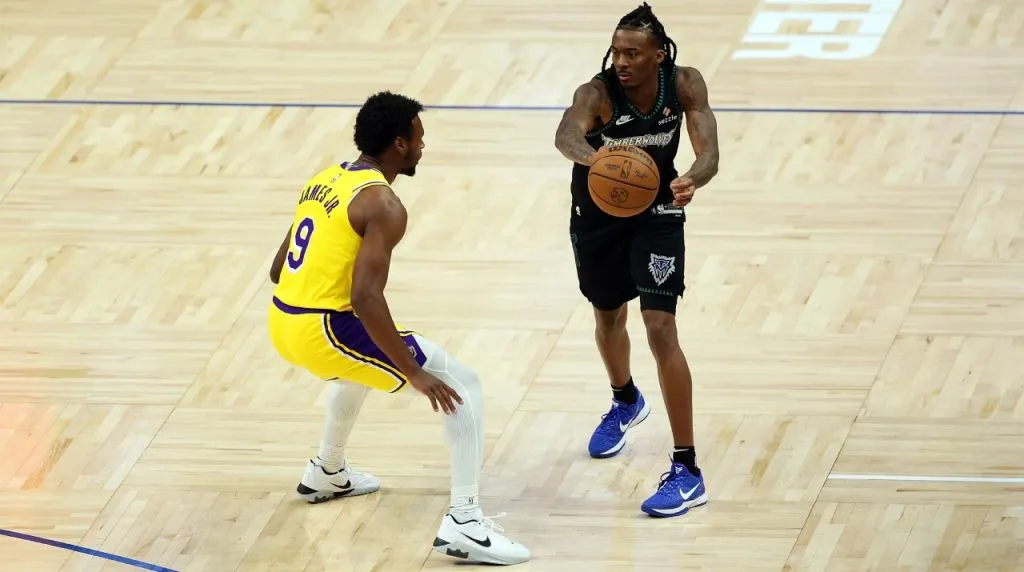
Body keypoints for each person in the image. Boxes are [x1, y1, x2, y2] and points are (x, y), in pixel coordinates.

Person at [266, 91, 530, 566]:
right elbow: (367, 298)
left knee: (360, 365)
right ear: (400, 144)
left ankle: (327, 470)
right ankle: (466, 524)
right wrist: (415, 372)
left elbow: (277, 266)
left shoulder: (322, 180)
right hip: (326, 329)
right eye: (419, 137)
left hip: (283, 319)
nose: (423, 146)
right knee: (459, 383)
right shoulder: (384, 204)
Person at [553, 2, 720, 518]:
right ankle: (625, 398)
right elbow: (566, 135)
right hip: (599, 213)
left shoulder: (685, 84)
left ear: (658, 55)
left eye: (633, 53)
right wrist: (601, 160)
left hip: (658, 209)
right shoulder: (597, 93)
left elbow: (710, 151)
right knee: (608, 316)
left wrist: (693, 177)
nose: (621, 61)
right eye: (617, 51)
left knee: (661, 329)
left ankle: (687, 469)